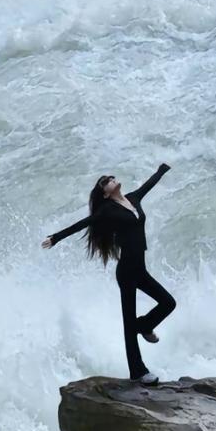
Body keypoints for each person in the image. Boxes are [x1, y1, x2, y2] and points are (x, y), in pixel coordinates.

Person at [42, 164, 175, 384]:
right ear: (105, 192)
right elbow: (83, 224)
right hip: (126, 271)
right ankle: (138, 372)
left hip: (140, 269)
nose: (112, 179)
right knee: (128, 324)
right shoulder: (106, 211)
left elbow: (148, 185)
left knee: (168, 303)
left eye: (111, 177)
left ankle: (145, 326)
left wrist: (162, 170)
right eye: (107, 181)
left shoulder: (133, 199)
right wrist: (55, 238)